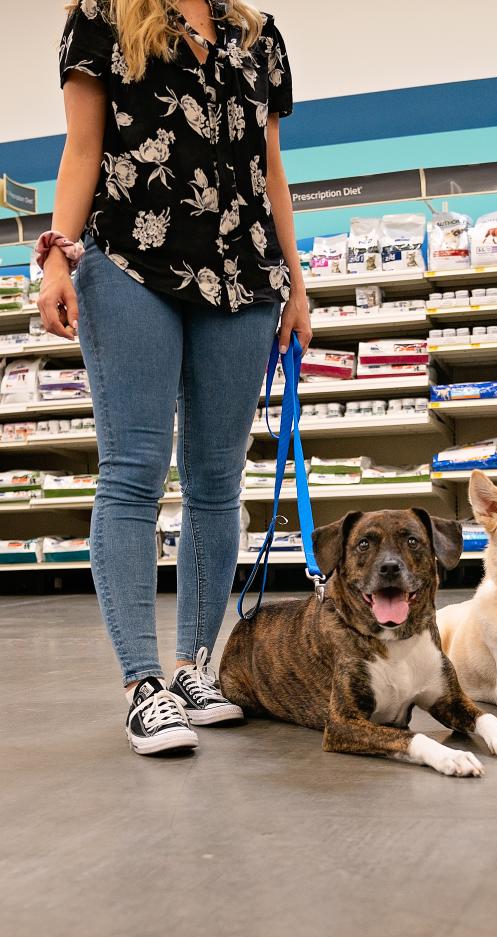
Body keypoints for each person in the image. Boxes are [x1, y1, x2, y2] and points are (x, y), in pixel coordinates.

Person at [37, 0, 312, 756]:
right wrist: (57, 258)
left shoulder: (257, 35)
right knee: (133, 471)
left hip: (244, 275)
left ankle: (194, 667)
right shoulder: (101, 18)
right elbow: (82, 149)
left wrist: (295, 282)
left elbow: (271, 171)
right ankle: (142, 685)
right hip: (131, 262)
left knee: (218, 479)